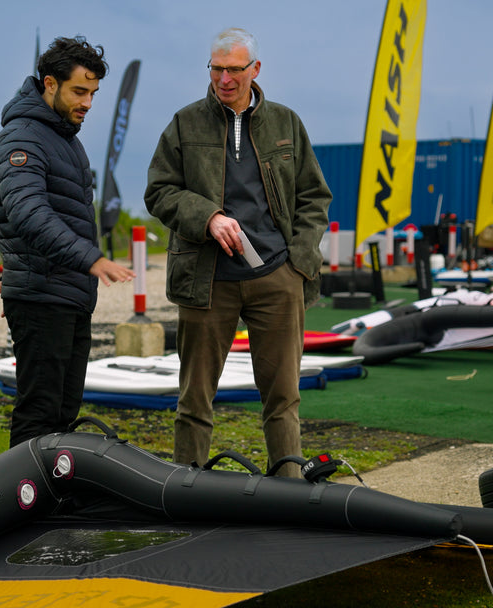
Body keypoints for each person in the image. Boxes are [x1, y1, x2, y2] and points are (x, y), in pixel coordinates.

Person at [144, 28, 331, 477]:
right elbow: (158, 191)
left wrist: (298, 264)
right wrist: (206, 216)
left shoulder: (287, 123)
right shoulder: (184, 124)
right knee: (194, 399)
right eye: (216, 68)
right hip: (206, 281)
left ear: (255, 70)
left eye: (234, 69)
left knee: (283, 397)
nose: (224, 79)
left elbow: (314, 197)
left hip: (276, 279)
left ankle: (288, 489)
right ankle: (187, 491)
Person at [0, 36, 135, 447]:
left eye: (93, 93)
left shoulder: (64, 138)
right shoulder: (23, 140)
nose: (88, 102)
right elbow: (28, 213)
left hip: (65, 293)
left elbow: (49, 213)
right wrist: (92, 260)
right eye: (79, 91)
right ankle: (26, 506)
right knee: (40, 414)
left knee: (63, 416)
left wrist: (15, 265)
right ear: (49, 84)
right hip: (42, 297)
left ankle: (53, 506)